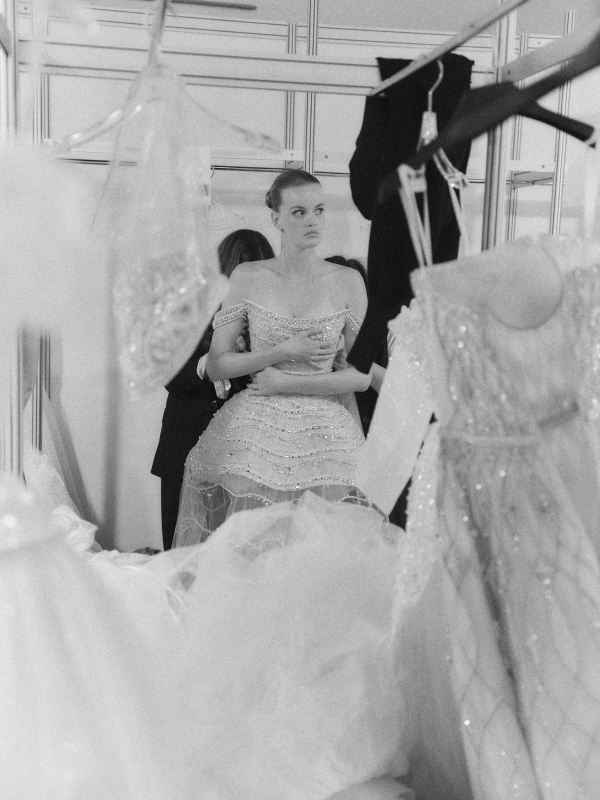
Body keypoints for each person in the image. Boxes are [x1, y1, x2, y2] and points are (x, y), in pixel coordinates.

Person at [173, 169, 379, 547]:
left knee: (319, 552)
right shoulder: (248, 276)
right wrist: (281, 351)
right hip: (256, 431)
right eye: (299, 212)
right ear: (276, 218)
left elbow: (363, 375)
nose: (312, 221)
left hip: (324, 434)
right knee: (252, 550)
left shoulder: (347, 281)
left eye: (319, 210)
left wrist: (287, 380)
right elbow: (217, 365)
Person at [151, 229, 274, 549]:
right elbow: (170, 375)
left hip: (243, 455)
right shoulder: (190, 307)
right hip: (185, 444)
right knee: (180, 553)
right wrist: (213, 363)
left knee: (235, 555)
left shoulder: (269, 319)